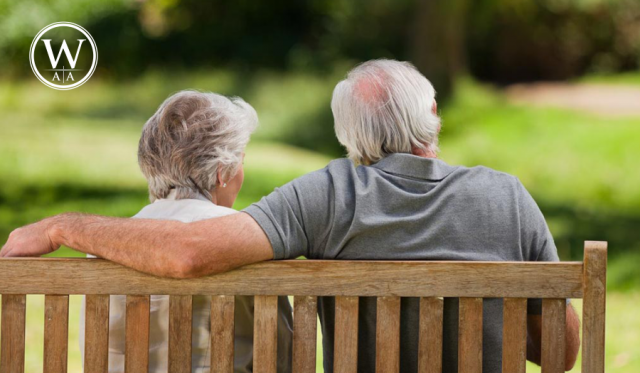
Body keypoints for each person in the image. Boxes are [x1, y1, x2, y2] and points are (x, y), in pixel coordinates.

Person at [1, 60, 580, 372]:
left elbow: (187, 252)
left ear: (347, 135)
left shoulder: (328, 195)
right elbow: (557, 355)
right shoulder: (508, 195)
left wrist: (60, 227)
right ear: (432, 113)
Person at [78, 90, 293, 373]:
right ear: (222, 171)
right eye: (242, 159)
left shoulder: (105, 247)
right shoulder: (245, 243)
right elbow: (281, 356)